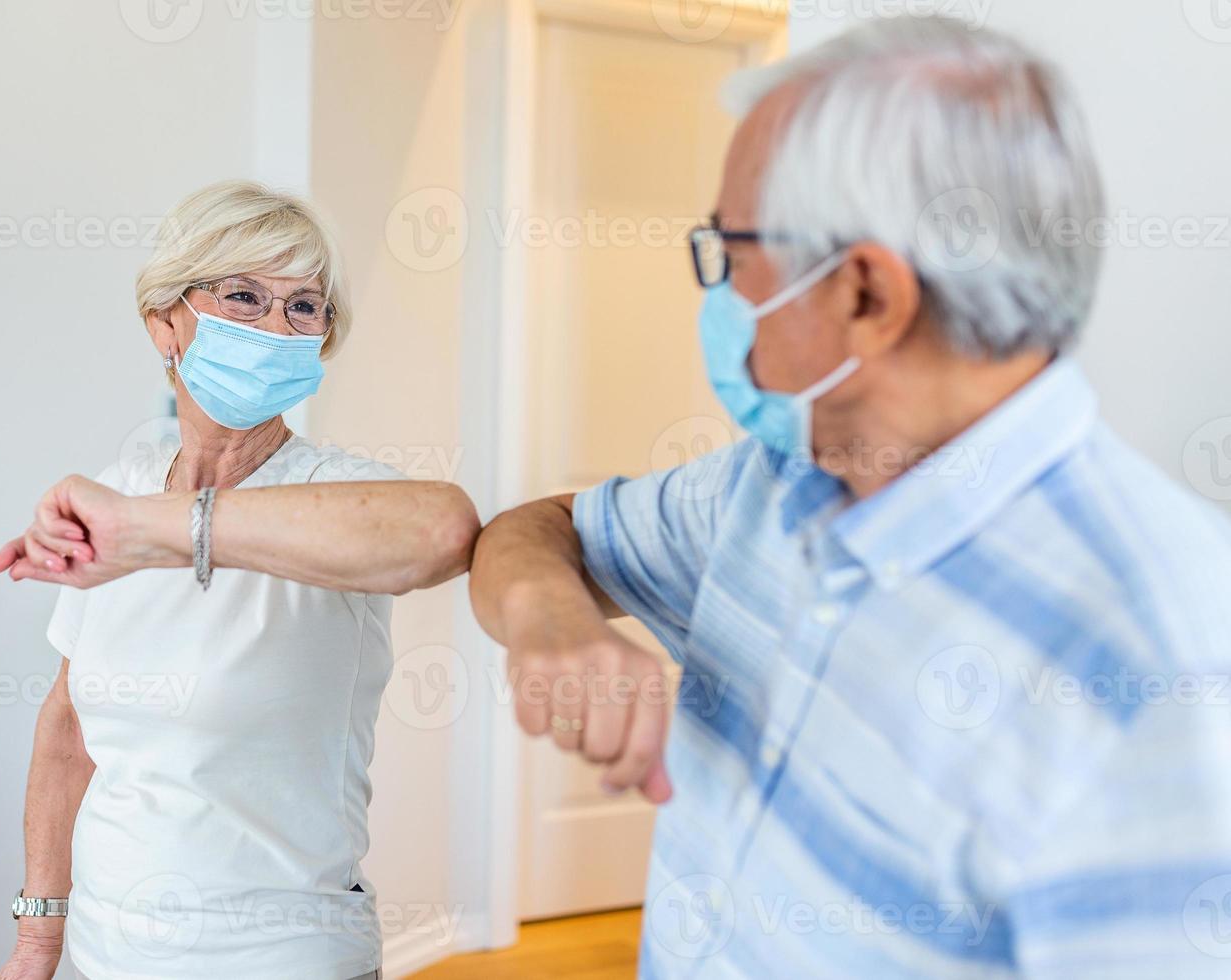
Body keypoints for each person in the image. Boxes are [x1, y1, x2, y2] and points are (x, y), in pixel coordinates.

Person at [469, 16, 1231, 978]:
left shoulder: (1167, 672)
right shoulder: (775, 476)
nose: (719, 293)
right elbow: (534, 533)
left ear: (866, 294)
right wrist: (555, 623)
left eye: (730, 252)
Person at [0, 180, 479, 980]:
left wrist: (163, 529)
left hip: (283, 953)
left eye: (304, 307)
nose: (277, 328)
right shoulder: (126, 481)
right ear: (165, 324)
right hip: (107, 953)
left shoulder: (331, 492)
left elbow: (441, 531)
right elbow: (69, 730)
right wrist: (39, 937)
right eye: (245, 297)